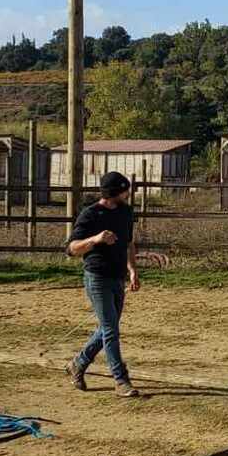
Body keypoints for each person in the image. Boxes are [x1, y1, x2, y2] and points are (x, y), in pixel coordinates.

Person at [65, 171, 143, 398]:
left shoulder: (126, 212)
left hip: (117, 276)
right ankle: (120, 380)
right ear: (113, 193)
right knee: (110, 329)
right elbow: (71, 249)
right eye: (124, 190)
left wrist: (132, 270)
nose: (128, 194)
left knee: (107, 329)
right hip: (97, 277)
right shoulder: (91, 215)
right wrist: (95, 239)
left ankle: (78, 364)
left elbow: (129, 243)